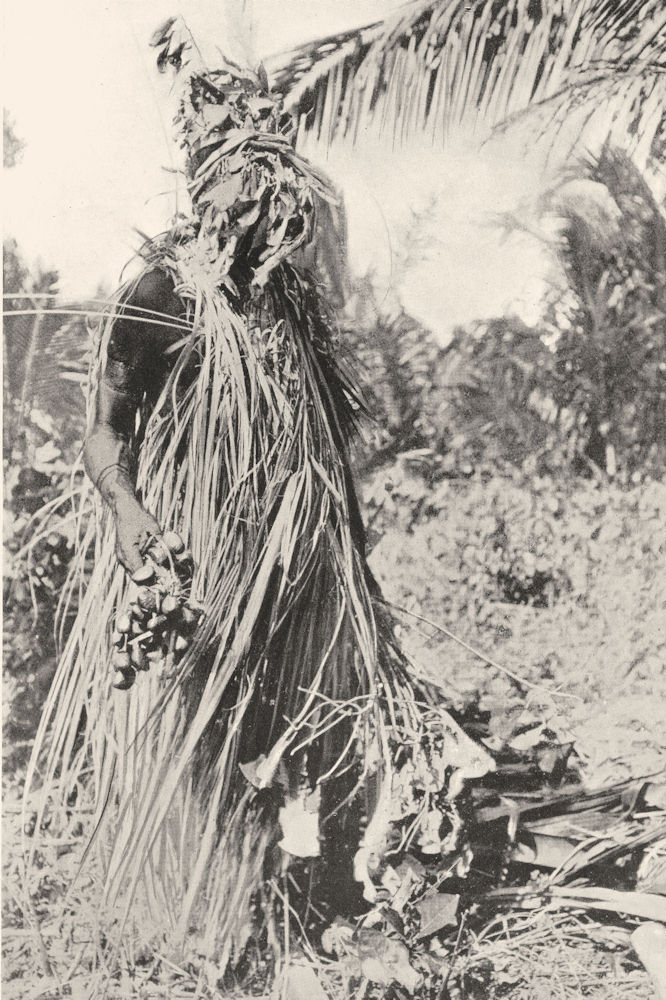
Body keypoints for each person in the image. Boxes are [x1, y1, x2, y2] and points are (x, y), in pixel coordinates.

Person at [28, 18, 491, 978]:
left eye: (283, 192)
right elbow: (105, 430)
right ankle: (191, 930)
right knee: (200, 741)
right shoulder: (159, 292)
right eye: (254, 189)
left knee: (304, 736)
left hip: (299, 560)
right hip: (194, 559)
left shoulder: (291, 306)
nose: (273, 212)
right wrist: (128, 515)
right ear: (212, 190)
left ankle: (306, 911)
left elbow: (324, 443)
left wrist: (349, 565)